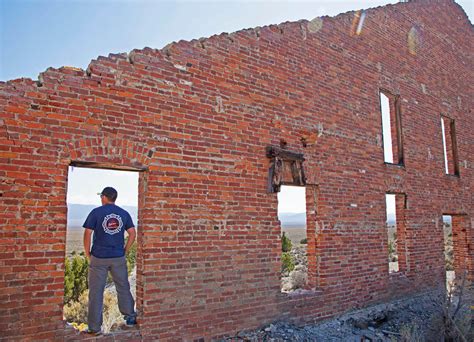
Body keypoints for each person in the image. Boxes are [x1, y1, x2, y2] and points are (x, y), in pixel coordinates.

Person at [82, 186, 137, 335]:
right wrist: (125, 250)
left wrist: (88, 253)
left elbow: (87, 233)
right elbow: (132, 233)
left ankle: (94, 328)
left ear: (105, 197)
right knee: (123, 286)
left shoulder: (96, 212)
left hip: (98, 257)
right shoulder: (123, 213)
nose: (101, 199)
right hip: (118, 257)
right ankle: (130, 317)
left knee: (96, 292)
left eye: (101, 196)